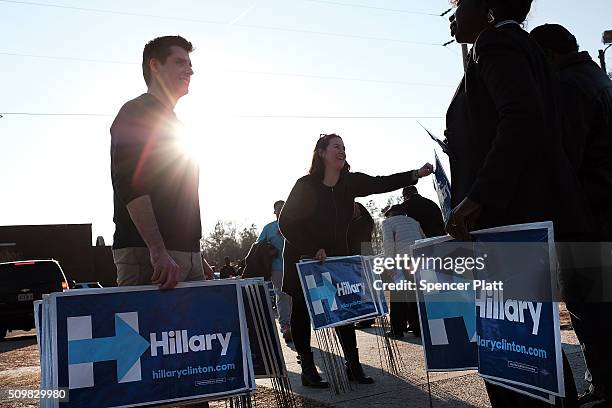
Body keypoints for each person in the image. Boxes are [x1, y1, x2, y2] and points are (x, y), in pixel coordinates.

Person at [446, 1, 591, 406]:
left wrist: (478, 196)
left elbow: (522, 119)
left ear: (487, 7)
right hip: (524, 221)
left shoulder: (496, 44)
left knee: (513, 353)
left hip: (509, 224)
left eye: (458, 3)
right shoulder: (520, 46)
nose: (452, 13)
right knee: (531, 344)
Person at [279, 132, 433, 388]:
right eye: (336, 146)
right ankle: (307, 368)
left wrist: (416, 174)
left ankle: (354, 365)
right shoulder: (305, 185)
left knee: (344, 309)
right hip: (303, 256)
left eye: (344, 147)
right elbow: (286, 223)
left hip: (334, 258)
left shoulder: (349, 183)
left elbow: (381, 182)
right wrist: (311, 248)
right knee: (302, 311)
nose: (342, 151)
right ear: (321, 152)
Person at [531, 23, 612, 406]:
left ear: (547, 55)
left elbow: (564, 162)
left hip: (585, 223)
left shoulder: (566, 86)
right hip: (602, 216)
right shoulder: (597, 77)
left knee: (591, 311)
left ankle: (605, 387)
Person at [110, 35, 209, 288]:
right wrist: (157, 250)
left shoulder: (178, 126)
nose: (189, 70)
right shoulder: (136, 112)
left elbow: (179, 198)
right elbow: (131, 186)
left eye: (189, 64)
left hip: (185, 257)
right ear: (154, 65)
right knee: (147, 329)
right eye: (179, 62)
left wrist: (195, 255)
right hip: (151, 259)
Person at [381, 206, 425, 338]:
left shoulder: (387, 223)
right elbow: (423, 238)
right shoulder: (414, 221)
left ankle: (397, 329)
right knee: (415, 295)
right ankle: (418, 328)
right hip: (417, 261)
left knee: (398, 296)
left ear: (389, 214)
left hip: (400, 262)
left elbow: (389, 244)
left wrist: (389, 265)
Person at [257, 200, 293, 343]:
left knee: (294, 296)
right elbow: (258, 246)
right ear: (274, 212)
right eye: (277, 209)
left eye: (283, 208)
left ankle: (296, 325)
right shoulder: (269, 228)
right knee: (282, 295)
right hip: (277, 268)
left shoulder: (295, 225)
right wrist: (268, 250)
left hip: (294, 266)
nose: (280, 211)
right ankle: (286, 326)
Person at [348, 202, 376, 329]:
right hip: (362, 257)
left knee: (363, 289)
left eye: (354, 208)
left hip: (361, 258)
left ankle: (367, 317)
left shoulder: (362, 223)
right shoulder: (365, 223)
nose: (351, 211)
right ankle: (367, 316)